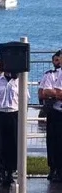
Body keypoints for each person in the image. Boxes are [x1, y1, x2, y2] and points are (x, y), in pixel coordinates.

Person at [40, 50, 62, 182]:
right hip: (55, 112)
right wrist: (55, 94)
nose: (58, 62)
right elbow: (43, 92)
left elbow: (51, 92)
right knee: (53, 142)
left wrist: (53, 93)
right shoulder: (50, 75)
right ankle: (53, 168)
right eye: (56, 60)